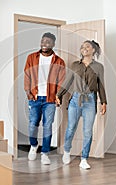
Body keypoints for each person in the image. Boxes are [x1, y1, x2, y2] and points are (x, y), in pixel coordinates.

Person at [55, 40, 107, 169]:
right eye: (83, 47)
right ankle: (67, 151)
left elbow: (101, 85)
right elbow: (68, 81)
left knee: (88, 131)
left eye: (87, 46)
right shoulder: (75, 65)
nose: (84, 48)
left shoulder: (99, 67)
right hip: (75, 99)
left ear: (93, 50)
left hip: (91, 100)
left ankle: (84, 159)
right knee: (71, 127)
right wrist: (58, 95)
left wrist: (104, 102)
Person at [24, 32, 65, 165]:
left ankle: (45, 153)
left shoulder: (59, 61)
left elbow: (61, 81)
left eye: (47, 42)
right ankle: (33, 145)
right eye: (42, 41)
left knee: (47, 126)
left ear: (53, 44)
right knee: (32, 125)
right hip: (35, 97)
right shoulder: (31, 57)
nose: (44, 44)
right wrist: (28, 92)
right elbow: (27, 75)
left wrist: (58, 96)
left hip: (50, 99)